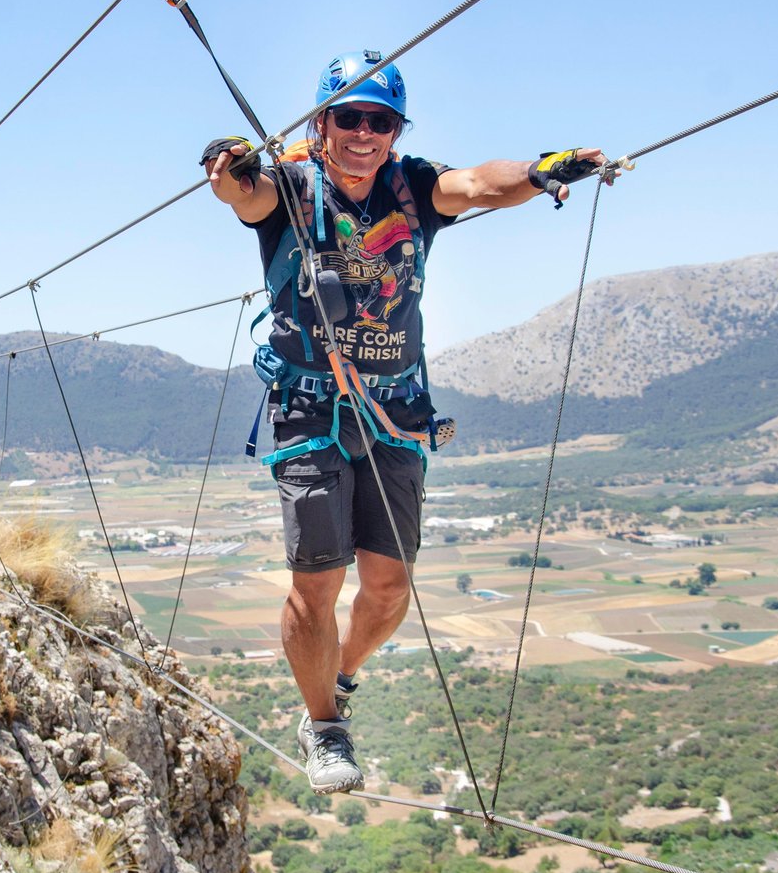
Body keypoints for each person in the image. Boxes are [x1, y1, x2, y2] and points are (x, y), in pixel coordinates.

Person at [204, 50, 614, 794]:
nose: (365, 133)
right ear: (321, 123)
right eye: (350, 117)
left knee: (390, 589)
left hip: (394, 411)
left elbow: (482, 184)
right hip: (311, 408)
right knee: (316, 585)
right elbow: (245, 194)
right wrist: (227, 167)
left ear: (396, 130)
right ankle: (325, 725)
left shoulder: (415, 186)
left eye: (381, 120)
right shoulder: (293, 187)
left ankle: (342, 677)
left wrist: (542, 170)